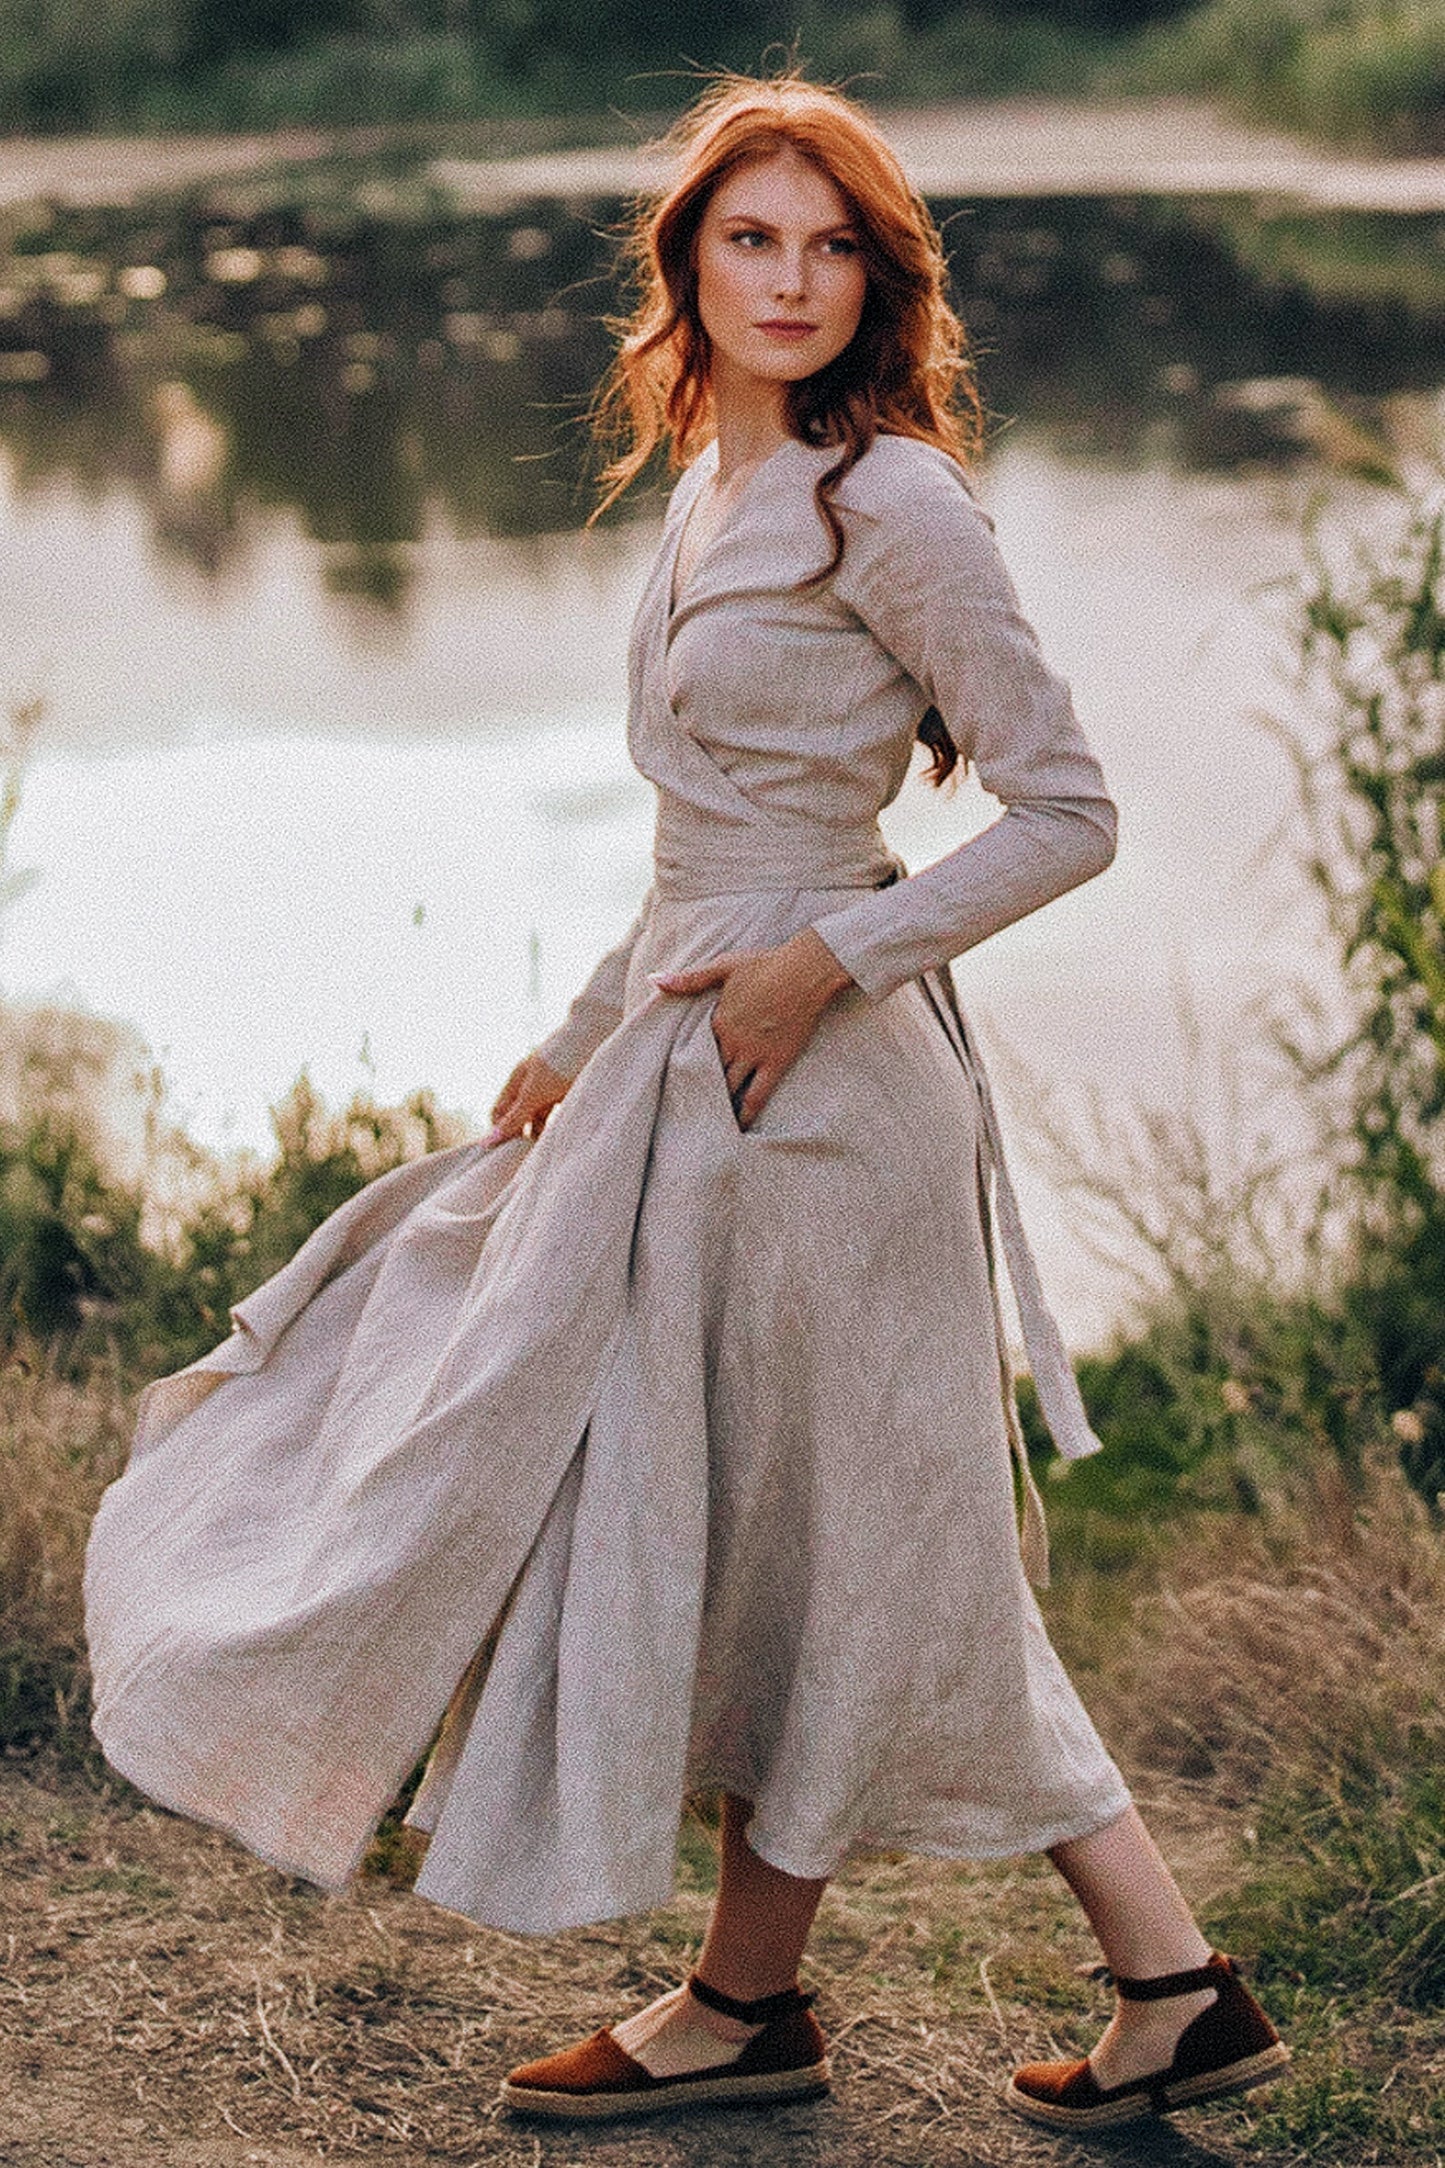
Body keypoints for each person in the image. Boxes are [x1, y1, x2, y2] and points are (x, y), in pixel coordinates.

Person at [83, 70, 1288, 2135]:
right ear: (689, 264)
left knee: (867, 1554)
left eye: (835, 243)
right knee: (780, 1543)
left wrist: (836, 959)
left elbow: (1070, 812)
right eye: (755, 237)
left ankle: (1076, 1984)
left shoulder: (888, 499)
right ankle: (813, 2002)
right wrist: (574, 1025)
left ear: (879, 278)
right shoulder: (716, 487)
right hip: (691, 1088)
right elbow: (705, 842)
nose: (794, 276)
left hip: (832, 1118)